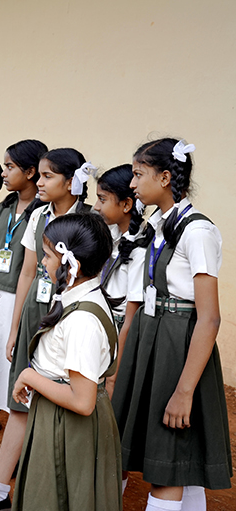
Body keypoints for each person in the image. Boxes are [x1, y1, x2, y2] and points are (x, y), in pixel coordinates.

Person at [112, 138, 232, 511]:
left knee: (170, 459)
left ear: (165, 177)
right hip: (151, 338)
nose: (132, 183)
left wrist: (183, 391)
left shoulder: (197, 232)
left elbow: (209, 317)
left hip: (177, 349)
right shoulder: (159, 227)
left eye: (138, 174)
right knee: (179, 461)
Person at [0, 147, 92, 510]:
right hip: (34, 312)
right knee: (20, 399)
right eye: (38, 175)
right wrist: (14, 329)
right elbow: (27, 272)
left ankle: (50, 489)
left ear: (71, 182)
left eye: (47, 176)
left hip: (67, 313)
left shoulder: (89, 220)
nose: (39, 182)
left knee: (59, 396)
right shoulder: (38, 215)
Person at [11, 213, 122, 511]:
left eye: (48, 256)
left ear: (72, 264)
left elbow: (82, 402)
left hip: (66, 426)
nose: (42, 262)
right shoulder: (80, 297)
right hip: (57, 419)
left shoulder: (82, 320)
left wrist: (30, 377)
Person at [0, 141, 47, 458]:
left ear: (30, 172)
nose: (4, 173)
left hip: (22, 298)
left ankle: (15, 450)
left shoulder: (41, 212)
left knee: (12, 365)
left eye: (10, 167)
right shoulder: (2, 209)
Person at [93, 165, 149, 400]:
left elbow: (130, 317)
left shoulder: (140, 249)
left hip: (119, 337)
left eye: (102, 199)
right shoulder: (111, 236)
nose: (96, 206)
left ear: (126, 205)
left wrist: (114, 374)